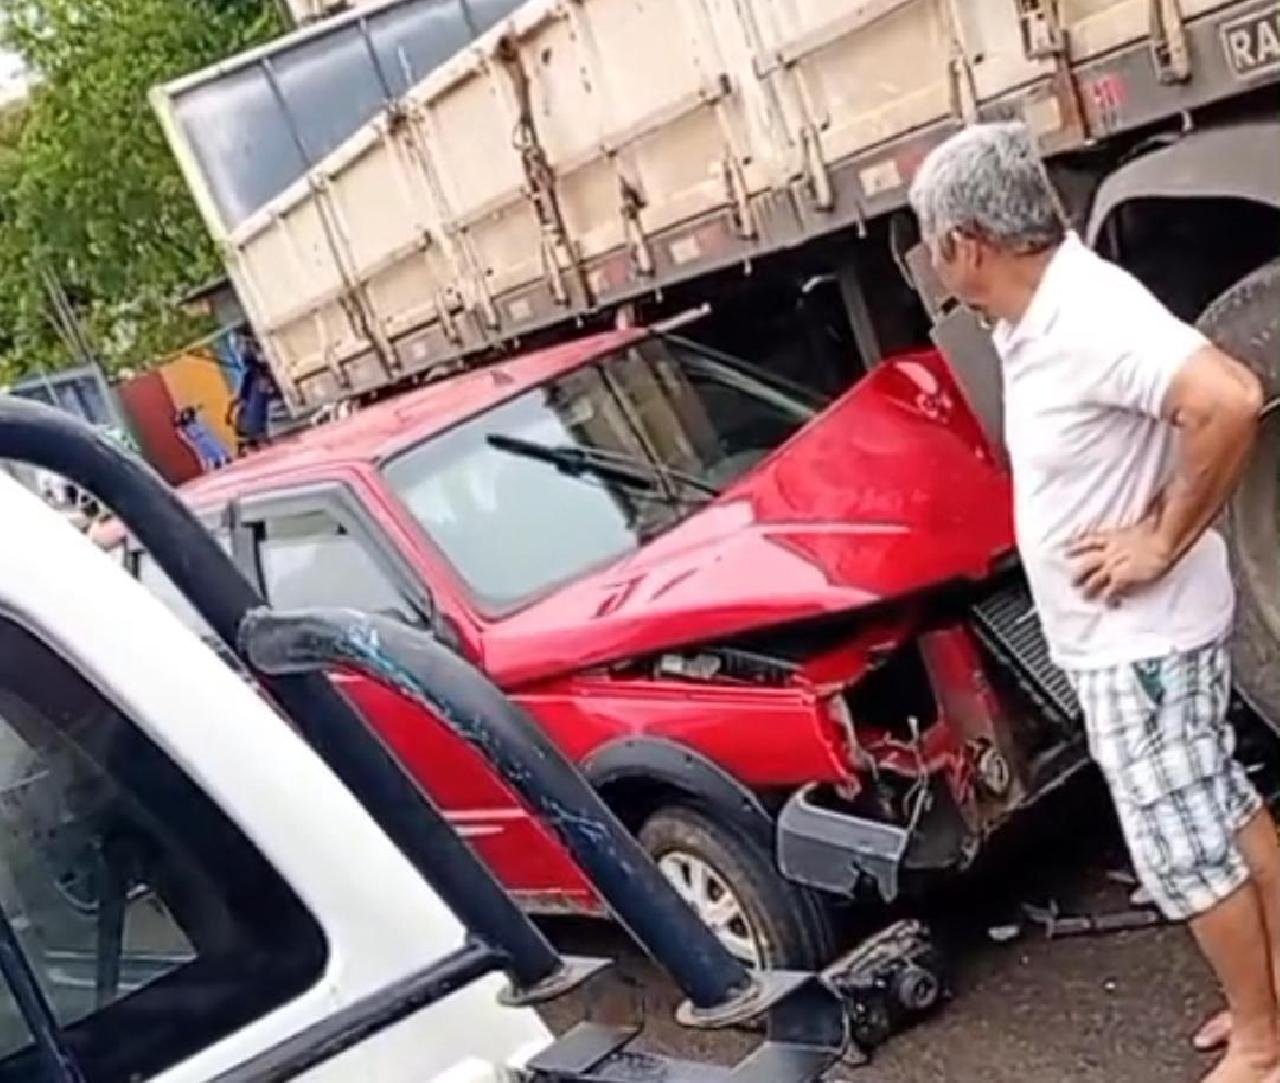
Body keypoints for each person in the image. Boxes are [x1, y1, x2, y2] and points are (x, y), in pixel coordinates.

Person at [909, 122, 1277, 1083]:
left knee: (1186, 848)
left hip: (1140, 648)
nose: (932, 263)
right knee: (1225, 807)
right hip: (1144, 639)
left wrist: (1160, 535)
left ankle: (1262, 1042)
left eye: (930, 242)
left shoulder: (1084, 317)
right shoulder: (1040, 317)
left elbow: (1228, 398)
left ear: (964, 244)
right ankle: (1271, 1000)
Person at [227, 330, 278, 455]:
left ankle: (258, 437)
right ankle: (259, 438)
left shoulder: (251, 374)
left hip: (254, 391)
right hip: (255, 392)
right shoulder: (255, 375)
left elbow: (240, 396)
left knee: (256, 415)